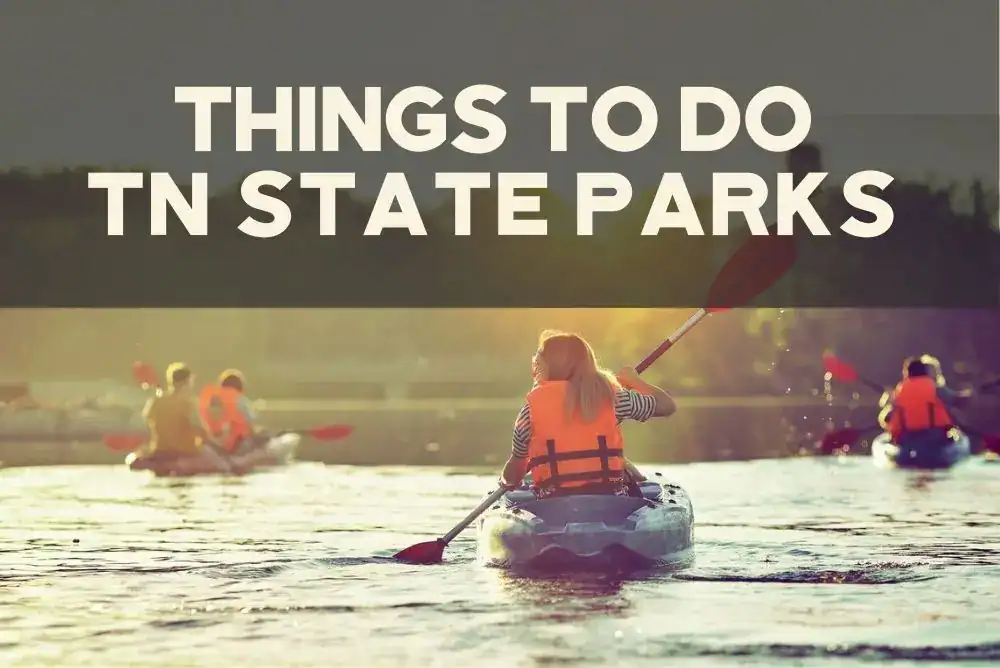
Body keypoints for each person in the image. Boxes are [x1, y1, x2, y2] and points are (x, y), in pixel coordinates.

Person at [498, 330, 676, 498]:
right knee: (623, 464)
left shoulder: (529, 412)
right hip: (610, 500)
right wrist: (635, 381)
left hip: (552, 504)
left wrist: (504, 481)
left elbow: (513, 476)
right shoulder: (614, 398)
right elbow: (667, 406)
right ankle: (639, 482)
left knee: (623, 463)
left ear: (548, 366)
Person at [143, 363, 234, 472]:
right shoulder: (188, 405)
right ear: (187, 382)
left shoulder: (156, 402)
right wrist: (221, 448)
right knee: (223, 466)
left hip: (160, 452)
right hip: (185, 453)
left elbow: (148, 425)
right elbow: (202, 434)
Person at [879, 356, 962, 446]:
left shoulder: (899, 392)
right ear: (925, 372)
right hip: (935, 439)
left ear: (907, 373)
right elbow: (959, 402)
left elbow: (886, 419)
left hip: (907, 439)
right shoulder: (936, 389)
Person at [197, 369, 267, 455]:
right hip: (235, 447)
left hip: (215, 445)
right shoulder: (241, 401)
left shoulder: (212, 400)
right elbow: (250, 427)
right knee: (263, 434)